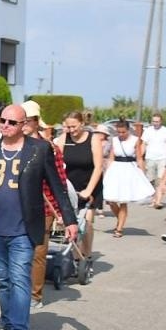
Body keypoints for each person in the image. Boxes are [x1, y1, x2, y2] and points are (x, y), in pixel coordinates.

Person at [0, 103, 78, 330]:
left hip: (24, 229)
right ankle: (7, 326)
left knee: (19, 279)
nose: (5, 125)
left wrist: (69, 220)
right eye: (3, 120)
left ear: (23, 125)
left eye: (12, 122)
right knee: (3, 281)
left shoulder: (39, 149)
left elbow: (57, 187)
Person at [20, 104, 69, 309]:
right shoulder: (12, 146)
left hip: (43, 207)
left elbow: (60, 181)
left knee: (38, 252)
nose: (23, 124)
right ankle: (18, 291)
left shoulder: (50, 148)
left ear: (35, 122)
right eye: (21, 120)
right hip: (17, 206)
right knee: (18, 251)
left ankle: (35, 295)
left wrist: (63, 212)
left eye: (28, 120)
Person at [56, 111, 103, 262]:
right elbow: (57, 163)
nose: (71, 130)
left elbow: (98, 167)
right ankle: (73, 254)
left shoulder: (93, 139)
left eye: (74, 126)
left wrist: (89, 190)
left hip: (90, 186)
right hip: (70, 186)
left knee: (87, 221)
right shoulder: (64, 139)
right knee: (69, 221)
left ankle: (86, 255)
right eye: (68, 127)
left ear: (82, 124)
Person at [102, 118, 154, 238]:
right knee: (111, 200)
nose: (121, 134)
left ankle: (119, 228)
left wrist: (143, 173)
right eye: (119, 132)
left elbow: (139, 158)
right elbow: (111, 157)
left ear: (128, 130)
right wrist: (107, 173)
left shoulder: (135, 140)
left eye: (123, 132)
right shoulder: (115, 140)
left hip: (129, 169)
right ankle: (120, 219)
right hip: (116, 169)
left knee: (123, 200)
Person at [141, 114, 166, 207]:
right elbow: (144, 144)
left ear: (161, 121)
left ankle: (158, 201)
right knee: (151, 180)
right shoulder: (148, 131)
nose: (155, 123)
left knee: (160, 180)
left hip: (162, 158)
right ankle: (153, 198)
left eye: (157, 121)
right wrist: (140, 156)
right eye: (154, 121)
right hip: (150, 158)